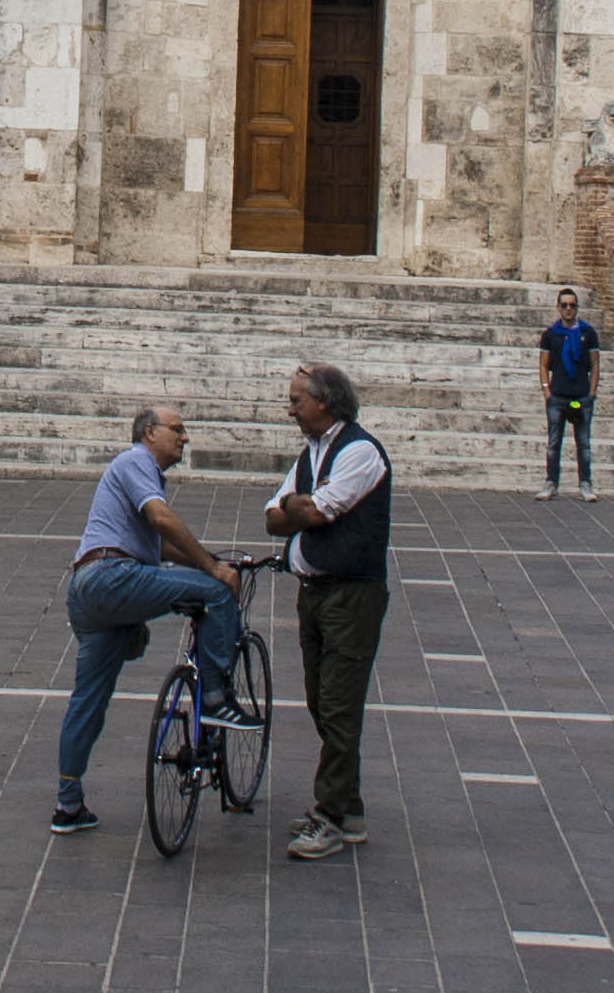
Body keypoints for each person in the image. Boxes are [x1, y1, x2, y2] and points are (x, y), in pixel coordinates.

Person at [53, 404, 243, 834]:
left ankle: (68, 803)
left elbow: (162, 549)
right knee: (215, 594)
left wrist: (207, 559)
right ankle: (214, 697)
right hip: (114, 577)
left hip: (86, 588)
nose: (185, 437)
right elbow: (160, 519)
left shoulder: (135, 471)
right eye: (177, 429)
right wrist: (215, 573)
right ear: (149, 432)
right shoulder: (136, 460)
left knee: (89, 700)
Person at [265, 361, 394, 863]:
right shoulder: (311, 455)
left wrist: (298, 509)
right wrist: (299, 508)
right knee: (323, 703)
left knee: (339, 706)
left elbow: (316, 513)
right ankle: (350, 808)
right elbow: (273, 517)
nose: (290, 407)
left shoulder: (359, 451)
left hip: (350, 596)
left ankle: (331, 815)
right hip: (315, 593)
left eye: (298, 399)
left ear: (327, 402)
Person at [537, 287, 600, 499]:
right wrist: (547, 391)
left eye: (572, 305)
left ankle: (585, 484)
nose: (568, 309)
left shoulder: (588, 333)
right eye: (564, 305)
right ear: (558, 307)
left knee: (583, 444)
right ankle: (551, 483)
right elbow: (544, 364)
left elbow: (595, 364)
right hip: (558, 396)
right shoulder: (550, 334)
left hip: (581, 395)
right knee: (554, 442)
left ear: (577, 308)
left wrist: (591, 393)